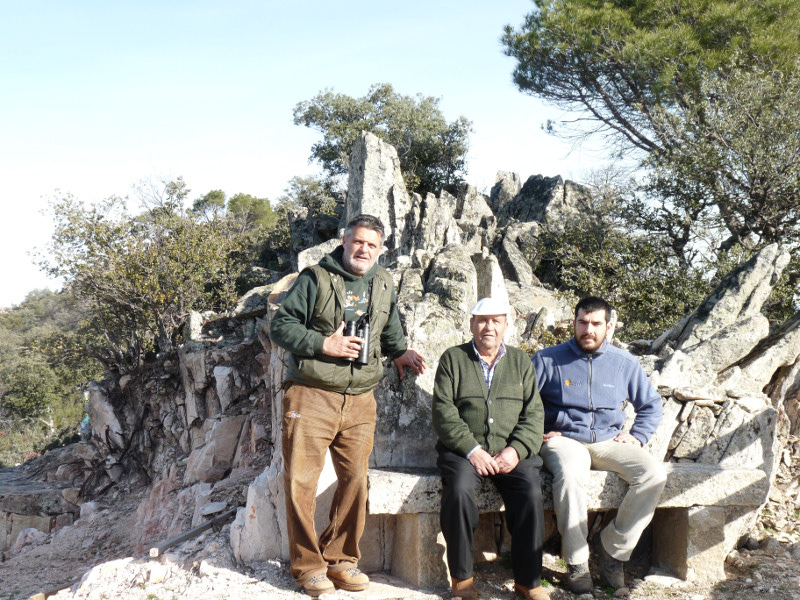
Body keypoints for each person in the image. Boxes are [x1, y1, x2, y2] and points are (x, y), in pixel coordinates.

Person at [270, 214, 426, 597]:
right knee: (301, 482)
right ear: (344, 240)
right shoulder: (315, 278)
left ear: (380, 249)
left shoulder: (383, 282)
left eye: (372, 245)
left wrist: (400, 352)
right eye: (358, 242)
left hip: (360, 400)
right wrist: (325, 345)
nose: (363, 250)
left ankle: (341, 560)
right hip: (312, 393)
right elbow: (281, 327)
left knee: (355, 479)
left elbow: (388, 328)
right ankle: (308, 568)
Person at [531, 296, 666, 593]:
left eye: (595, 324)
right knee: (569, 476)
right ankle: (577, 563)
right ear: (574, 323)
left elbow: (651, 406)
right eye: (582, 323)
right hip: (564, 439)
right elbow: (523, 402)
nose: (587, 330)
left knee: (653, 475)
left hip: (609, 440)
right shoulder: (547, 359)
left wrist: (638, 435)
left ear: (609, 326)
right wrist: (538, 431)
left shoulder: (624, 363)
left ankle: (612, 552)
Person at [432, 297, 549, 600]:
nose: (489, 327)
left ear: (506, 326)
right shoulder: (452, 359)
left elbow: (534, 415)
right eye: (482, 320)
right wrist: (472, 450)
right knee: (457, 490)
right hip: (465, 453)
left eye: (496, 320)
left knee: (530, 492)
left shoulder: (521, 362)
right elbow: (444, 413)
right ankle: (462, 578)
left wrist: (516, 450)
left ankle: (528, 581)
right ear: (471, 324)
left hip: (510, 452)